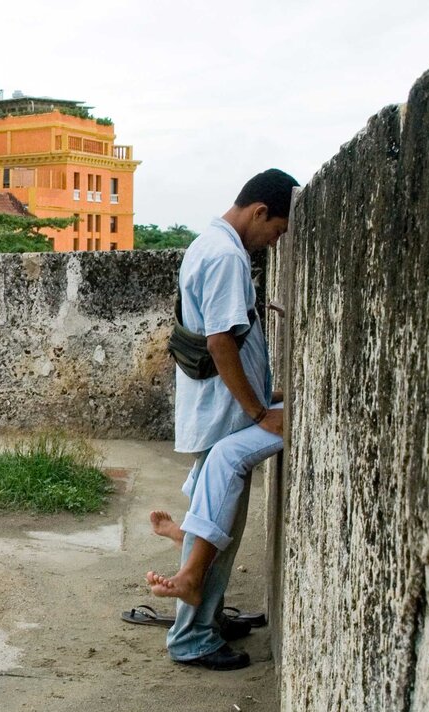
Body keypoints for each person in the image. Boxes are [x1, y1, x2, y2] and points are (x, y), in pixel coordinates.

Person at [146, 168, 298, 671]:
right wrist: (259, 410)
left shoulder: (206, 244)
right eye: (275, 232)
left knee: (219, 522)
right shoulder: (228, 256)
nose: (271, 244)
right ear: (259, 212)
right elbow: (218, 341)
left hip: (218, 403)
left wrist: (263, 391)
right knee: (222, 514)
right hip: (226, 410)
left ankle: (205, 617)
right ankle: (192, 638)